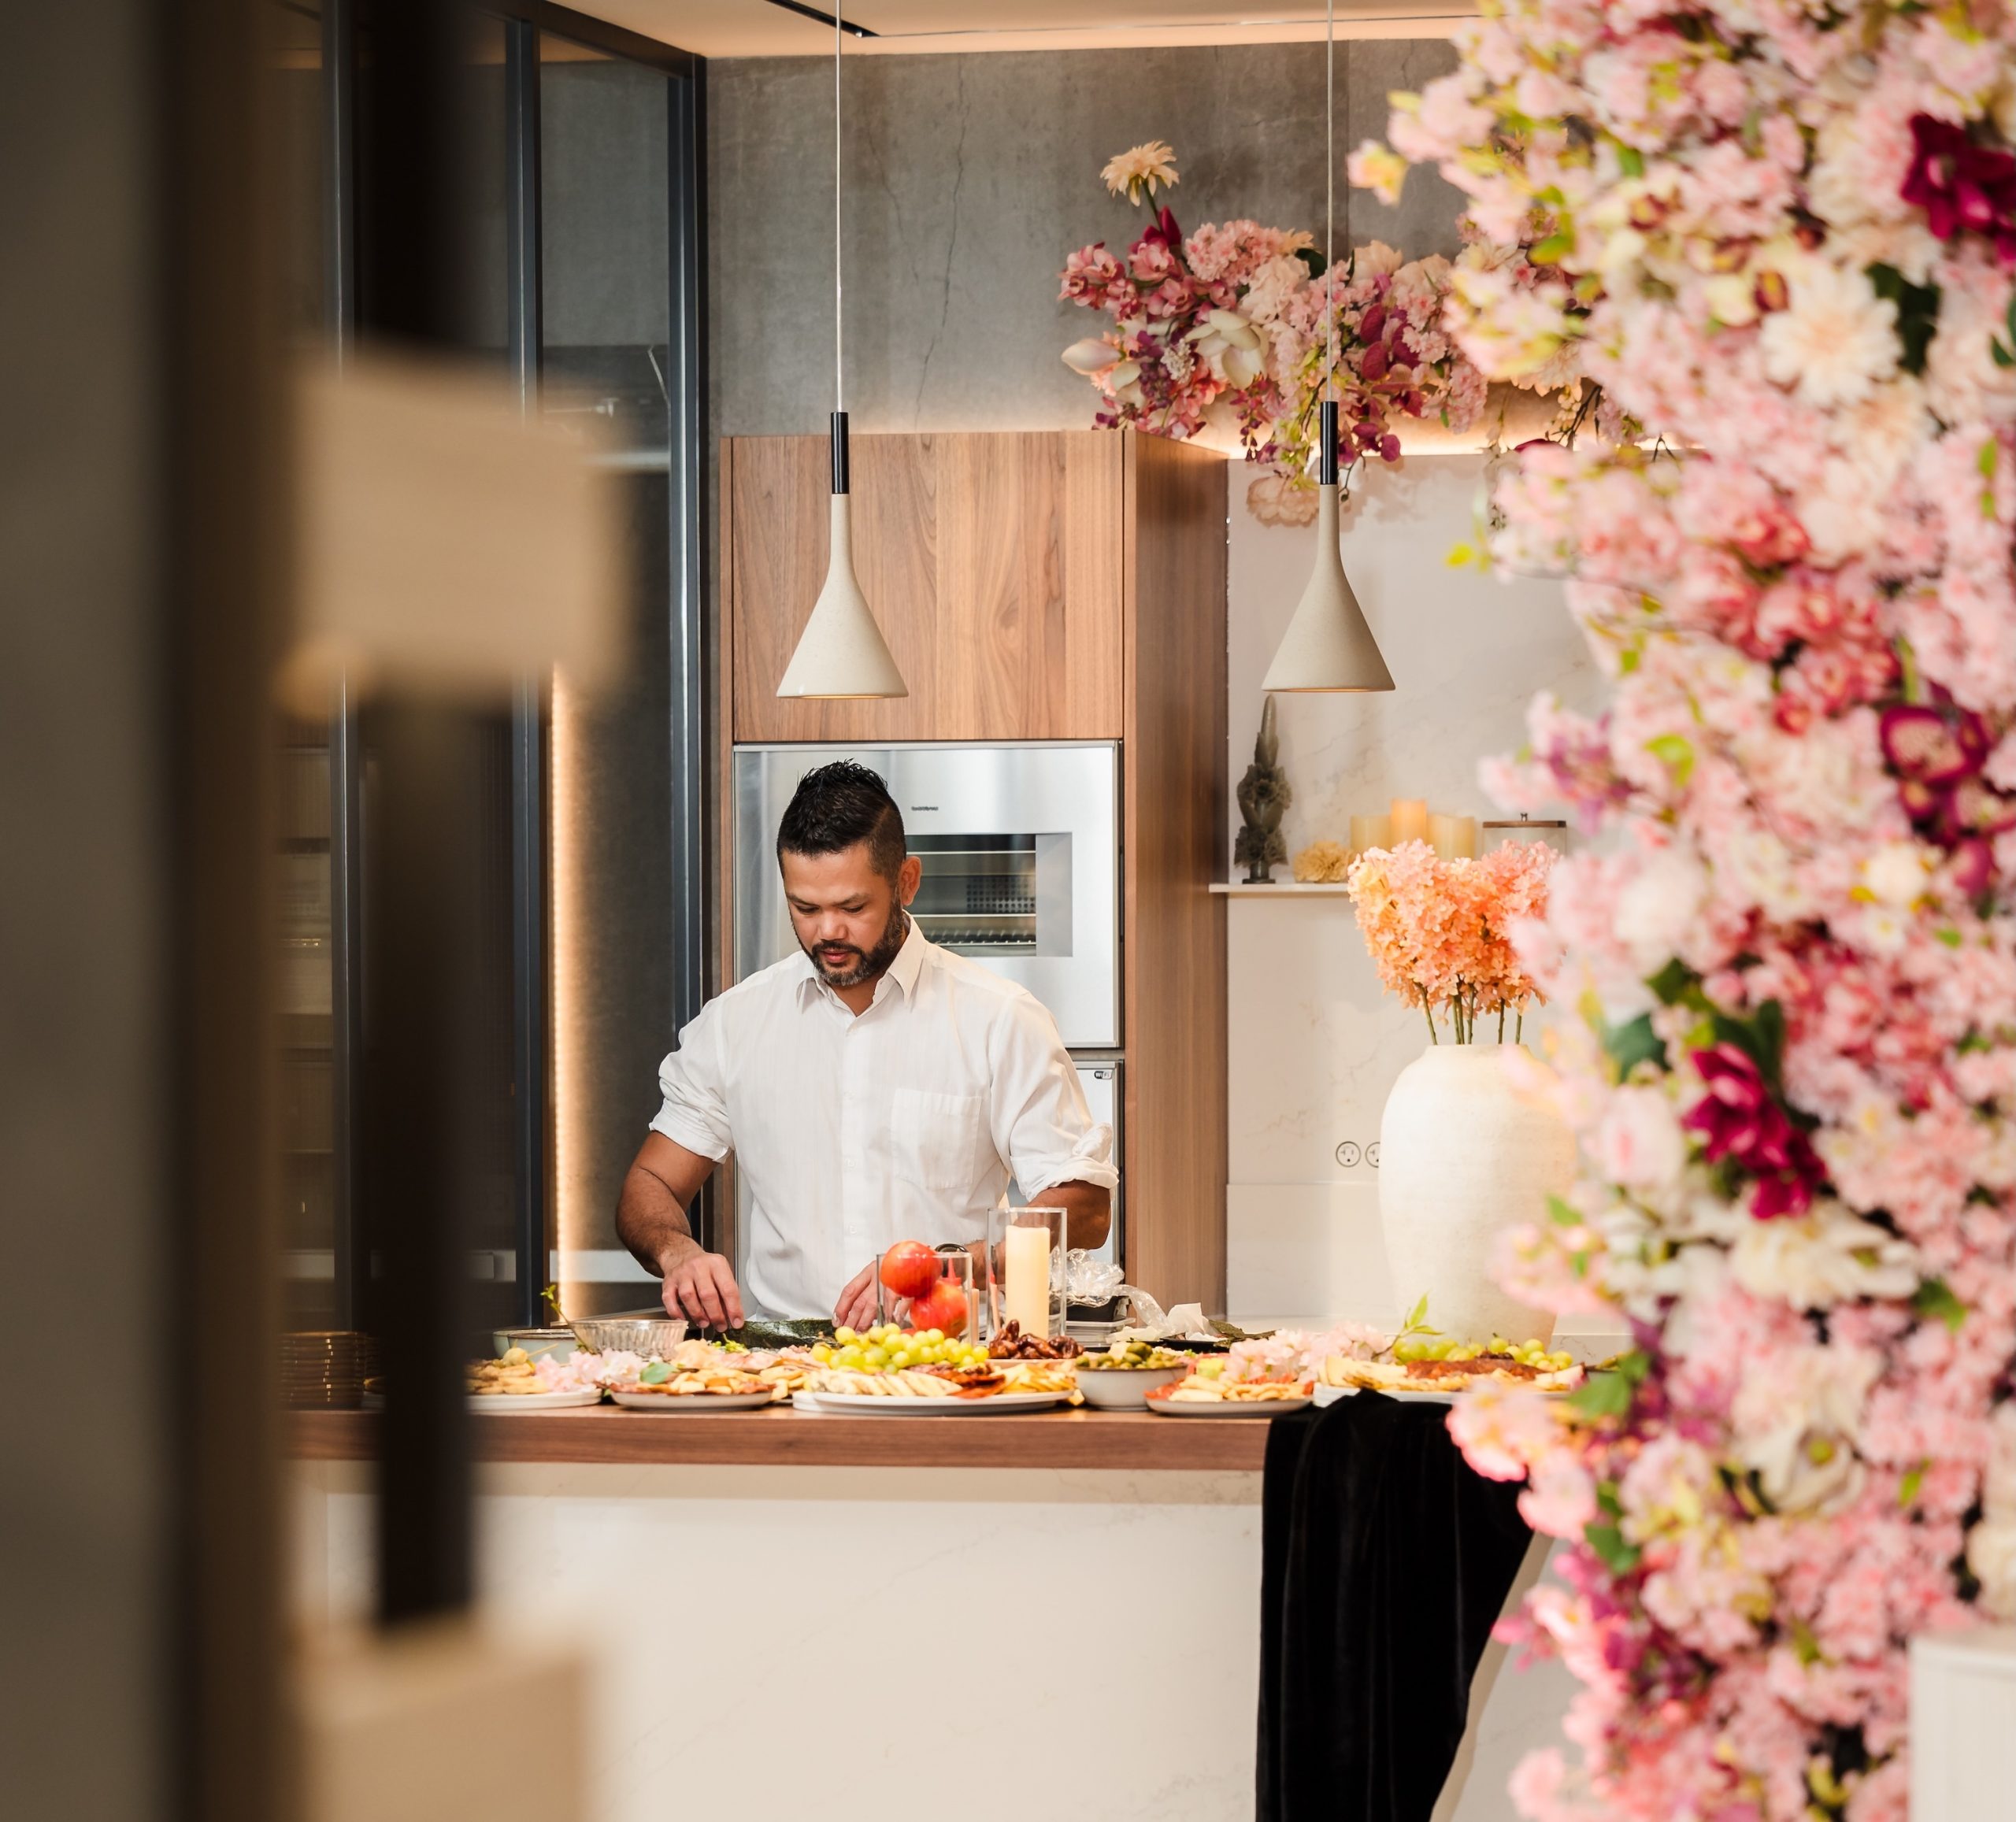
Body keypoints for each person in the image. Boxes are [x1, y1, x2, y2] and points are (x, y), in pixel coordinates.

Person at [616, 761, 1115, 1329]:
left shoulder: (999, 1019)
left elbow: (1088, 1210)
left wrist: (946, 1268)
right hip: (789, 1366)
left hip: (953, 1361)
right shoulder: (736, 1023)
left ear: (906, 882)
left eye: (853, 908)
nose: (827, 931)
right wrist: (676, 1251)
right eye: (805, 908)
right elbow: (649, 1186)